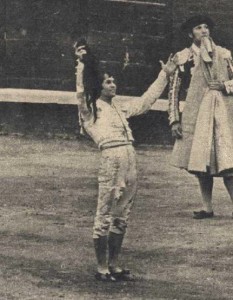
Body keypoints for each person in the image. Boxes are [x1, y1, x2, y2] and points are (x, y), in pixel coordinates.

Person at [74, 39, 177, 281]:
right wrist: (81, 63)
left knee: (122, 213)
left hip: (130, 158)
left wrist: (165, 74)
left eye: (113, 80)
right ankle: (101, 268)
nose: (113, 84)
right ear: (97, 86)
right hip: (112, 158)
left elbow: (146, 101)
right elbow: (81, 90)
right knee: (105, 212)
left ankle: (114, 264)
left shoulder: (120, 108)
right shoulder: (90, 109)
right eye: (108, 81)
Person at [168, 15, 233, 219]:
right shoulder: (183, 57)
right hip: (194, 114)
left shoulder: (224, 54)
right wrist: (175, 119)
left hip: (221, 113)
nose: (204, 30)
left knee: (227, 162)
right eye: (198, 27)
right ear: (190, 33)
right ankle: (207, 207)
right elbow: (175, 90)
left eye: (206, 27)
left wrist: (224, 85)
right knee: (200, 163)